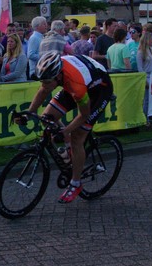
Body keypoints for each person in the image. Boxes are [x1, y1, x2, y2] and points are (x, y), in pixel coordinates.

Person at [15, 51, 113, 203]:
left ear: (58, 76)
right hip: (78, 80)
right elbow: (43, 91)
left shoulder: (76, 85)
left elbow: (84, 115)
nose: (44, 85)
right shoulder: (55, 73)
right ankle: (68, 150)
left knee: (77, 137)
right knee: (47, 118)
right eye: (42, 81)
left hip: (99, 90)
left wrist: (66, 131)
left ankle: (76, 183)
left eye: (47, 81)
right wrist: (28, 114)